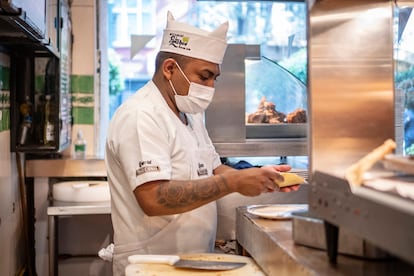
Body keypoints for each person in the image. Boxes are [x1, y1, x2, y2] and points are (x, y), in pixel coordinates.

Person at [105, 11, 300, 275]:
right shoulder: (142, 115)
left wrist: (259, 178)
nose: (210, 86)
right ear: (170, 69)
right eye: (204, 76)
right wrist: (233, 183)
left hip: (190, 260)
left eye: (214, 79)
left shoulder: (191, 115)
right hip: (152, 263)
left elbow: (214, 169)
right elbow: (153, 199)